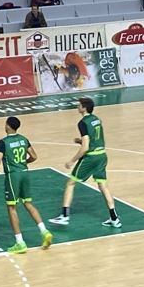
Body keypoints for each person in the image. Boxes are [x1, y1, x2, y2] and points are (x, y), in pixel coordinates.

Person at [49, 97, 120, 228]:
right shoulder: (97, 119)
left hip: (90, 158)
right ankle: (114, 218)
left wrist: (72, 161)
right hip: (102, 155)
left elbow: (85, 148)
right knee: (103, 186)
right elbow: (95, 139)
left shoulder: (83, 123)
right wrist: (80, 141)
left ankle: (64, 216)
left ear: (84, 108)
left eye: (79, 105)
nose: (77, 107)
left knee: (70, 183)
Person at [0, 117, 55, 254]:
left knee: (11, 207)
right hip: (25, 173)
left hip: (13, 176)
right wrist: (23, 163)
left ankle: (20, 243)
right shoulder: (24, 139)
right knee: (28, 203)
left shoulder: (3, 142)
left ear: (8, 126)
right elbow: (34, 156)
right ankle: (44, 231)